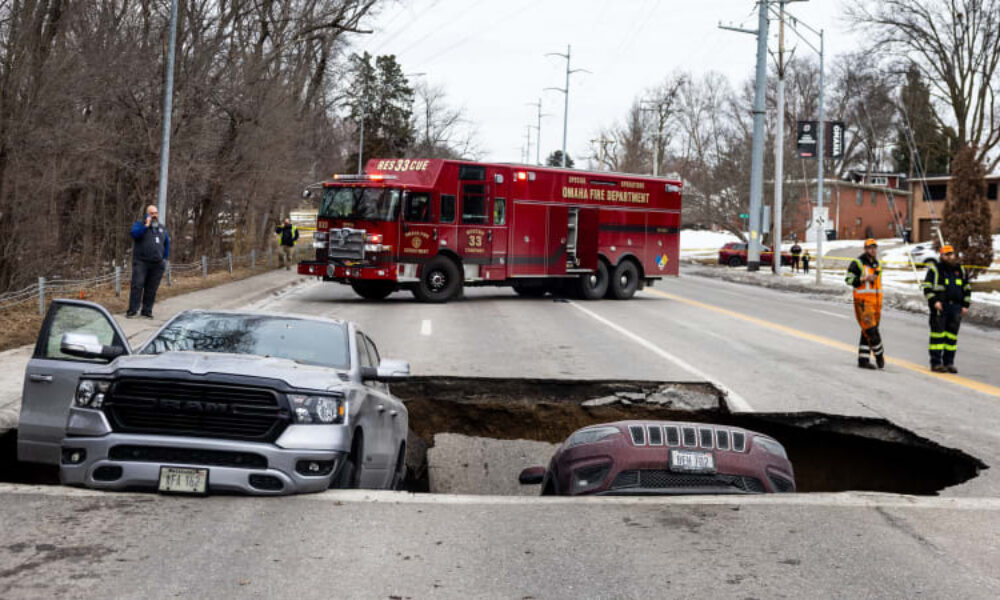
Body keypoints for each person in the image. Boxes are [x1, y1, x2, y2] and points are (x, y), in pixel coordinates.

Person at [921, 245, 971, 373]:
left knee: (951, 338)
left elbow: (967, 289)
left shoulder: (960, 270)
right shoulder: (935, 270)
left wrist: (965, 305)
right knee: (937, 337)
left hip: (956, 308)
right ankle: (936, 363)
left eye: (951, 254)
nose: (949, 257)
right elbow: (927, 288)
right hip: (940, 308)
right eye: (946, 254)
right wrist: (934, 302)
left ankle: (949, 363)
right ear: (941, 256)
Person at [845, 239, 884, 369]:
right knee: (871, 331)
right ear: (865, 249)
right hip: (863, 302)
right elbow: (849, 280)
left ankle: (863, 359)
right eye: (870, 248)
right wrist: (864, 278)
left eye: (874, 247)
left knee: (867, 331)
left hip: (876, 303)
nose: (872, 250)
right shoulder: (858, 263)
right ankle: (879, 356)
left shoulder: (877, 264)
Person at [128, 204, 170, 319]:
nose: (154, 215)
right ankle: (132, 310)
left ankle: (147, 310)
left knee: (152, 288)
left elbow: (166, 244)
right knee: (137, 285)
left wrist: (164, 259)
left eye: (156, 213)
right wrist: (146, 225)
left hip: (157, 263)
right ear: (147, 214)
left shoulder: (162, 228)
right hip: (141, 262)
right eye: (152, 213)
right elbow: (134, 234)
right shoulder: (139, 225)